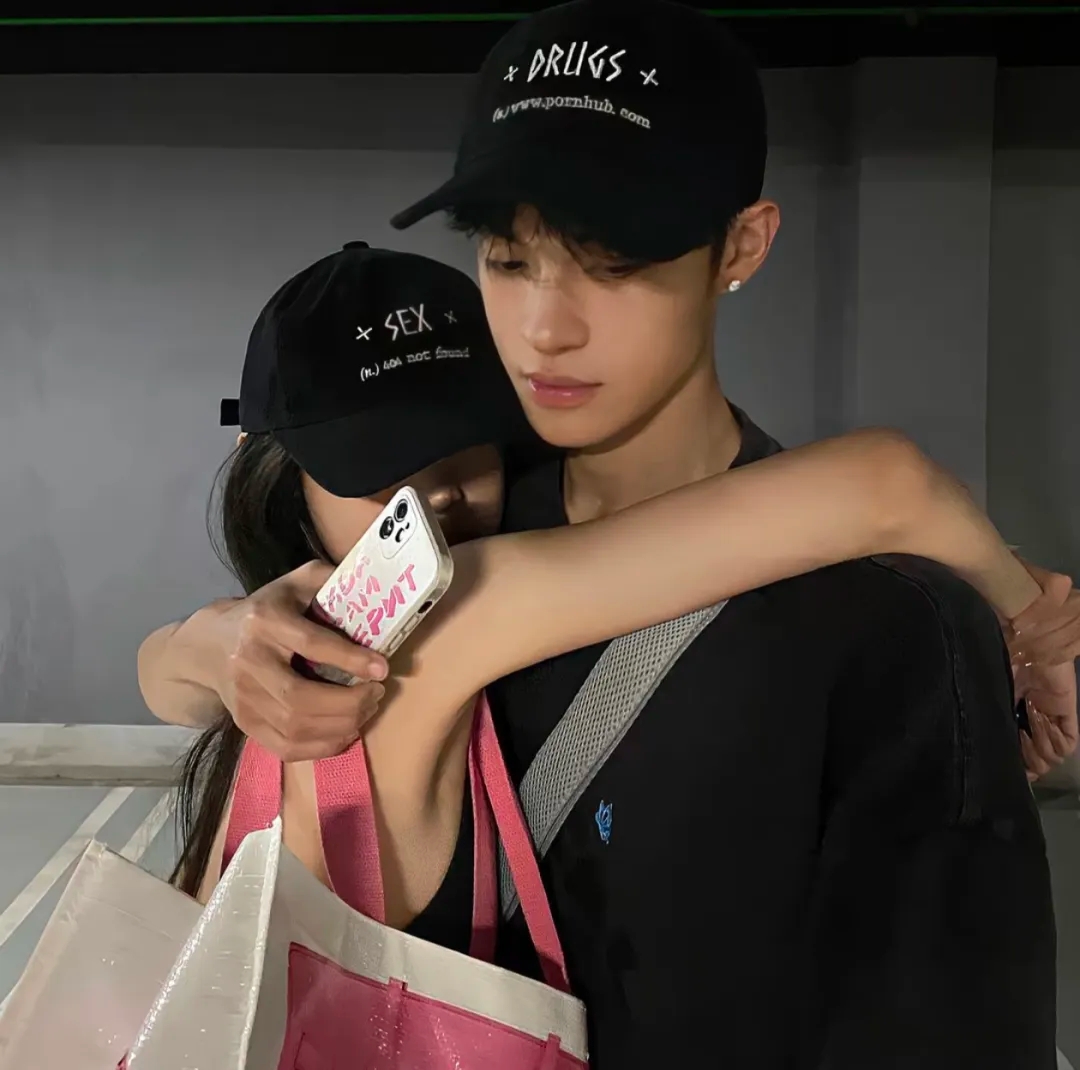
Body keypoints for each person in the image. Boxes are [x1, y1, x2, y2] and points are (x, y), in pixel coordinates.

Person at [142, 5, 1077, 1069]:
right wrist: (210, 643)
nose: (546, 329)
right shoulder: (448, 534)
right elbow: (888, 479)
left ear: (742, 245)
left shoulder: (891, 625)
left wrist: (1019, 619)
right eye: (507, 258)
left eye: (615, 261)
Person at [168, 239, 1048, 935]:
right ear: (275, 476)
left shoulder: (266, 653)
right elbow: (889, 483)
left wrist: (199, 644)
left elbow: (167, 683)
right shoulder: (440, 621)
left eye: (467, 454)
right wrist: (1039, 622)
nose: (433, 503)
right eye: (378, 475)